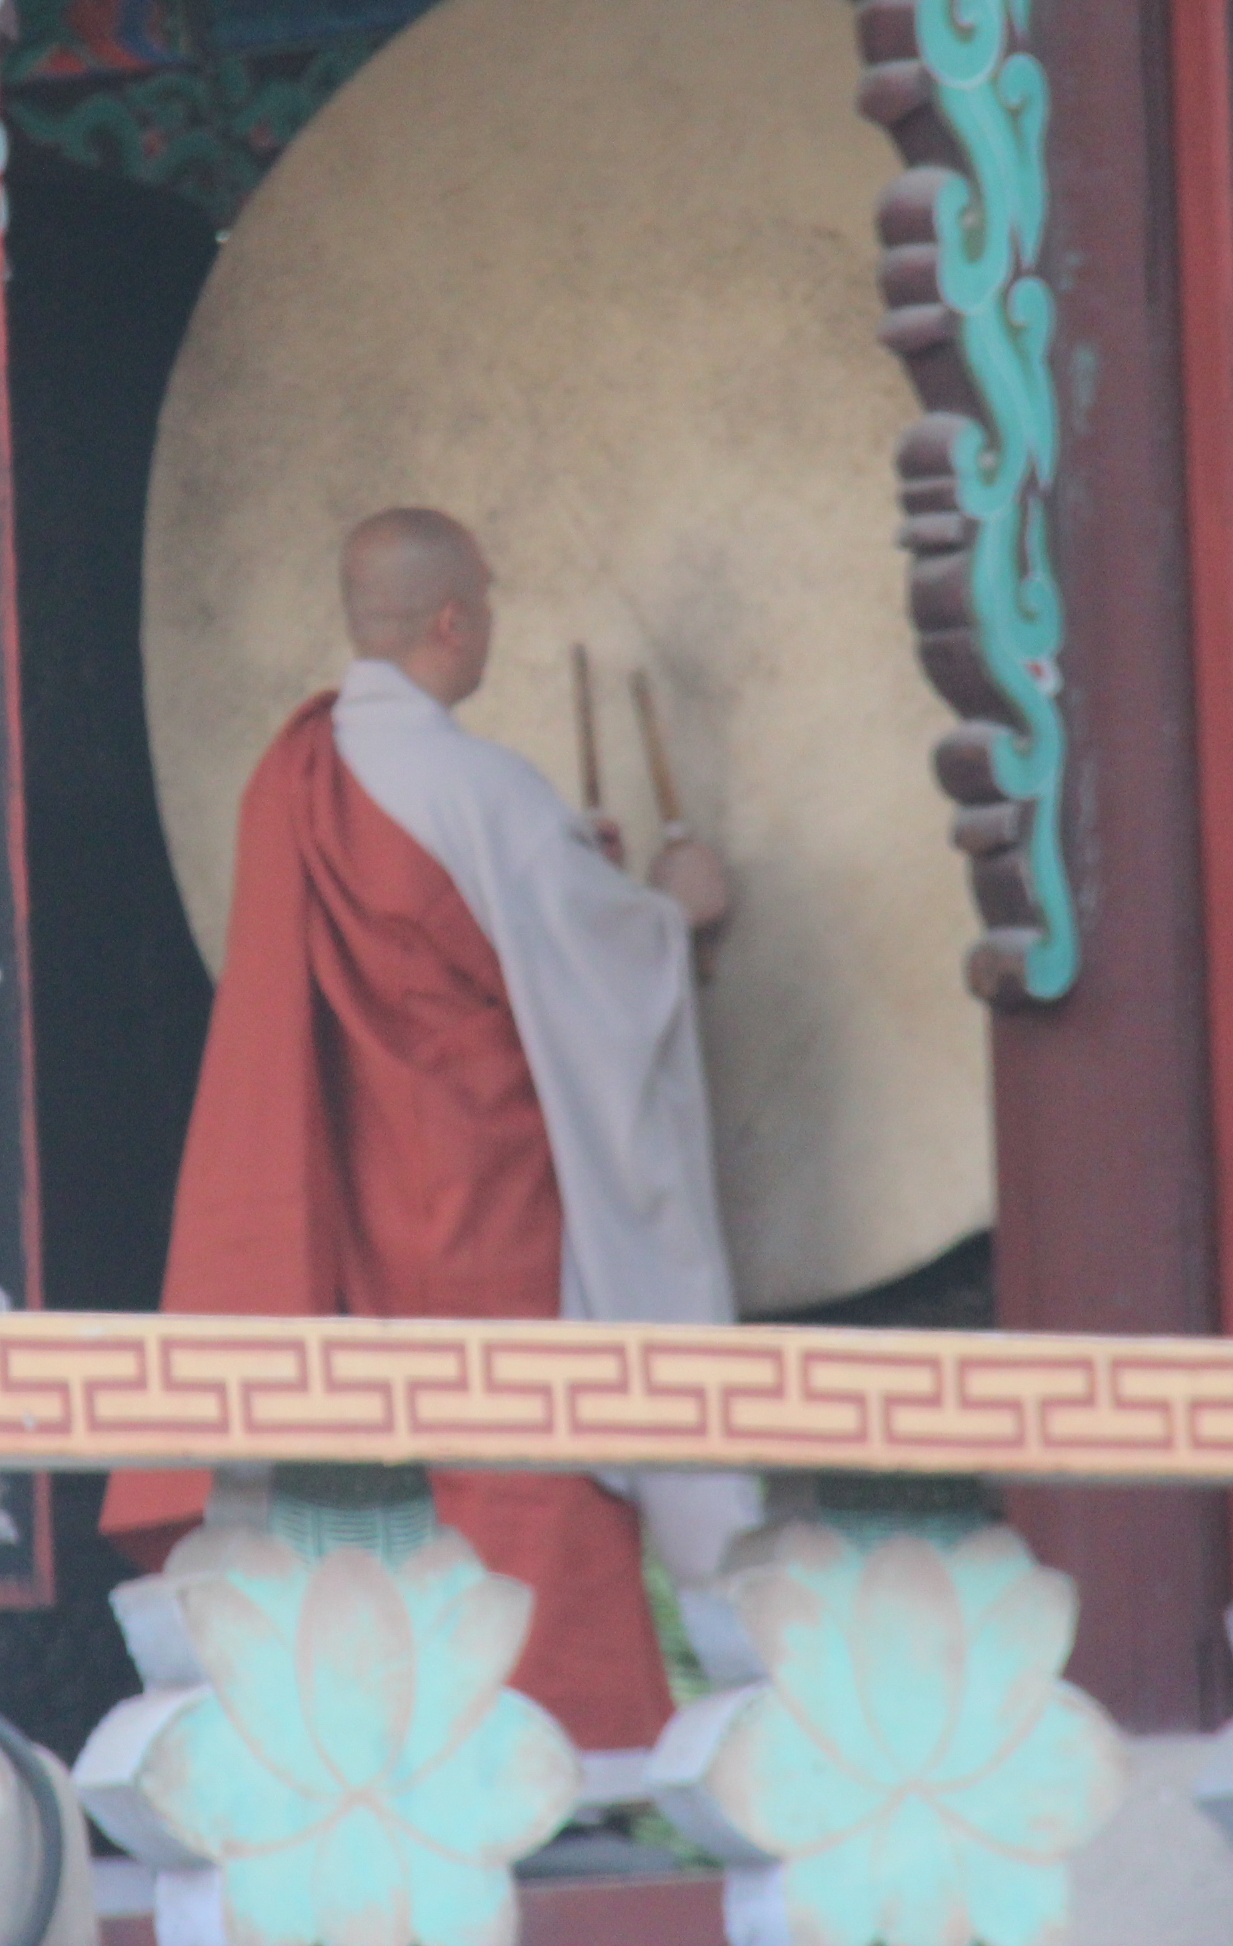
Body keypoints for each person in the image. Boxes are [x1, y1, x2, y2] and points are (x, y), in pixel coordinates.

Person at [100, 506, 757, 1755]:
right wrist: (672, 913)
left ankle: (400, 1738)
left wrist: (569, 878)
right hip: (491, 1205)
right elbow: (596, 975)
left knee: (406, 1470)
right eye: (487, 606)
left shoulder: (293, 778)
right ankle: (560, 1745)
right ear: (453, 622)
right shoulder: (480, 787)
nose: (492, 626)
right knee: (529, 1464)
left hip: (367, 1194)